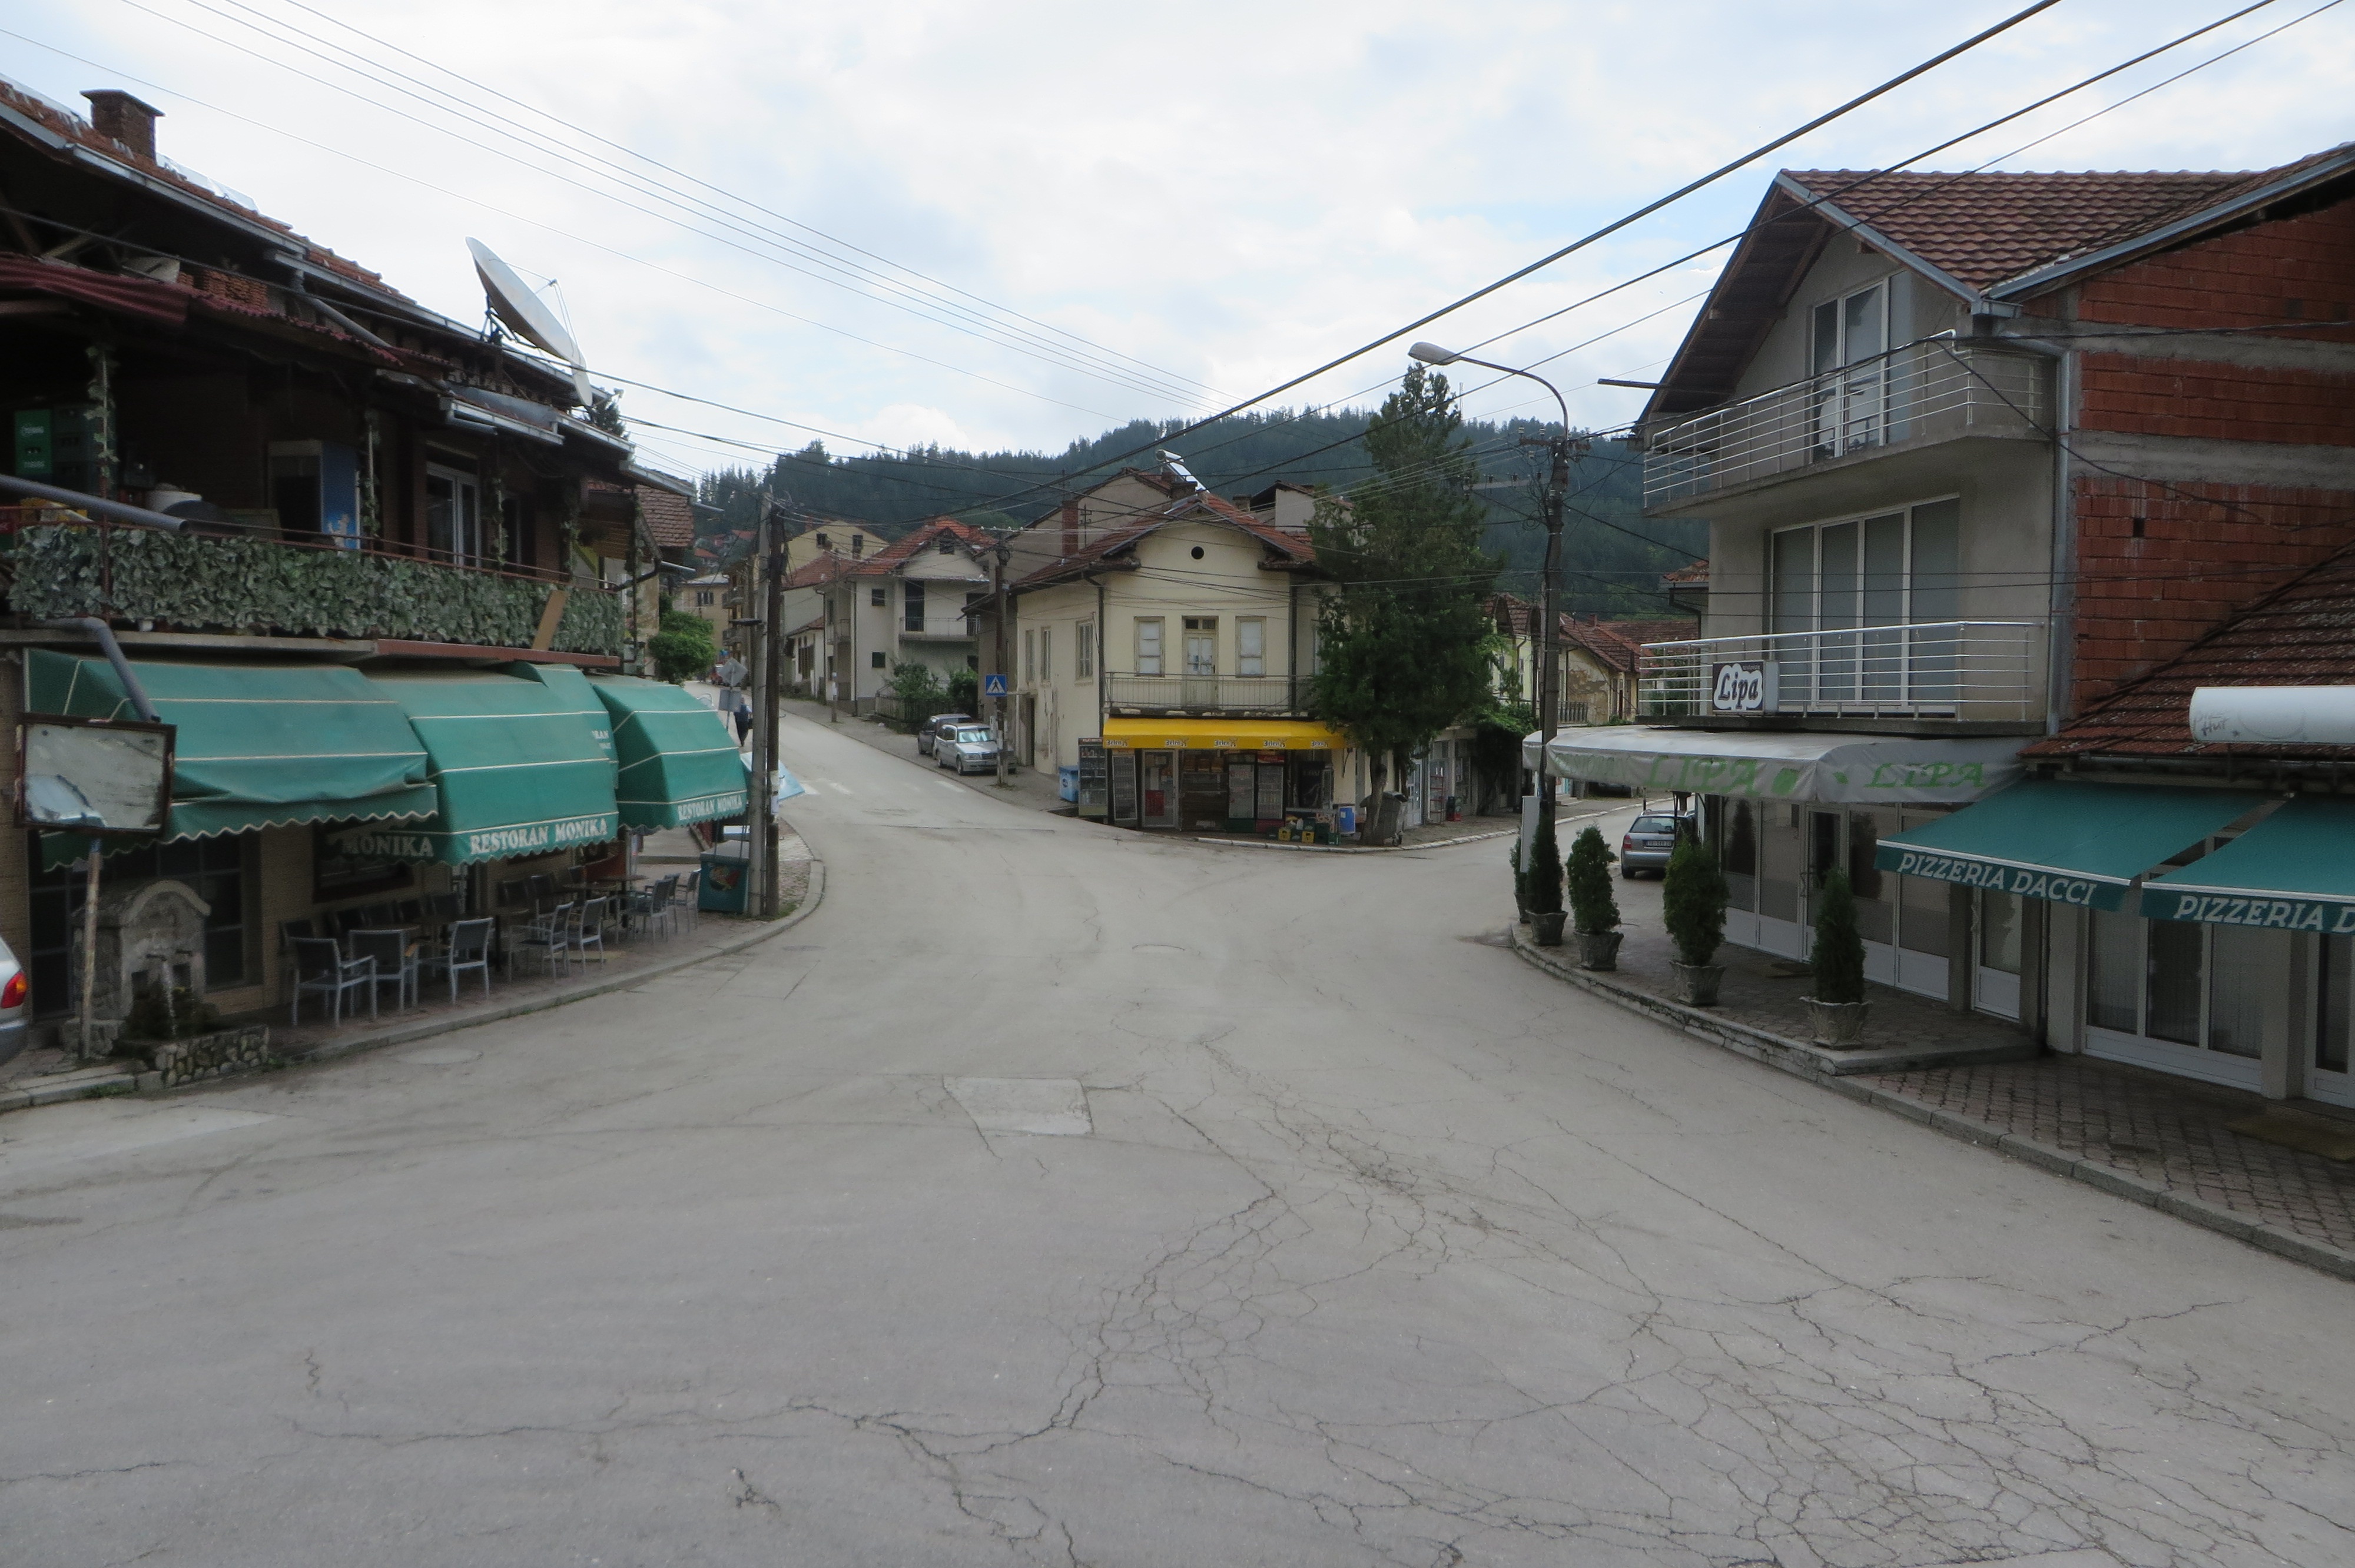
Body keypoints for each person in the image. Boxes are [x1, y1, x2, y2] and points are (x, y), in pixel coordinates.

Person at [715, 653, 751, 746]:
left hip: (740, 721)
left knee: (740, 730)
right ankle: (742, 740)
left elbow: (737, 713)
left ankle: (742, 740)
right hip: (744, 721)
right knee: (743, 731)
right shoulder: (743, 707)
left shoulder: (738, 706)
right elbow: (750, 712)